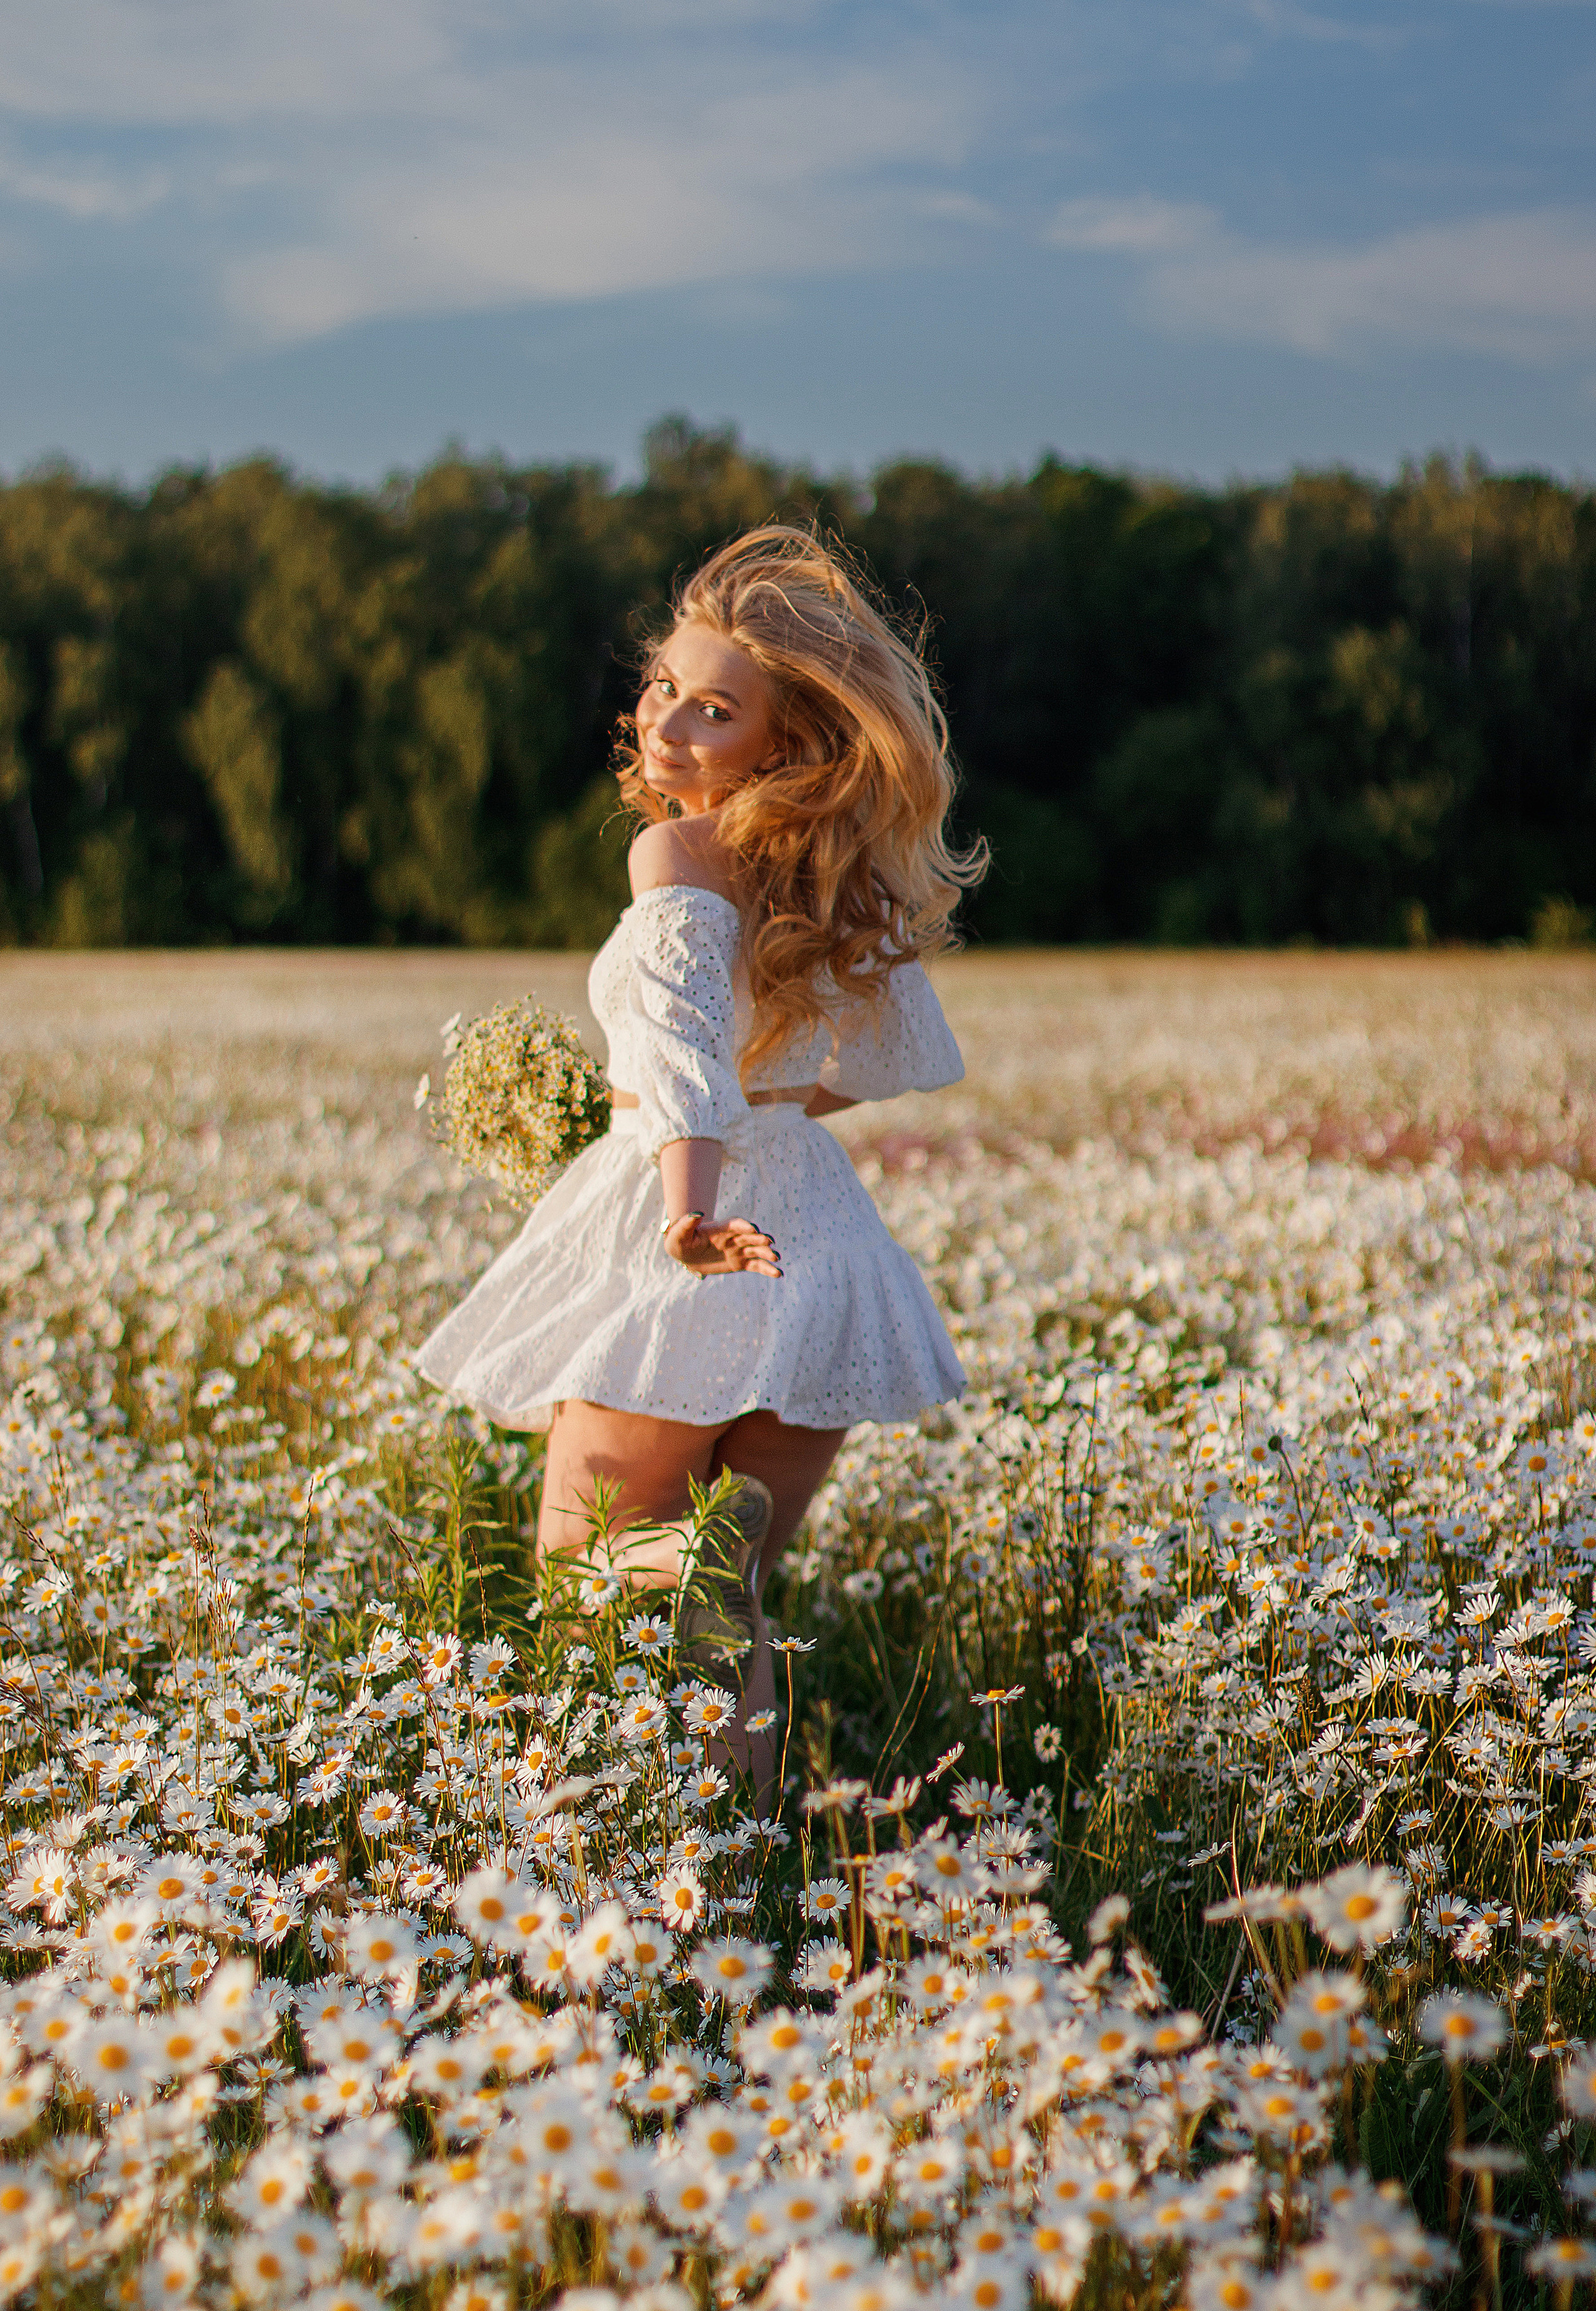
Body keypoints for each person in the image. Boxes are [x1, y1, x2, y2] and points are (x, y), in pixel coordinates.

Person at [418, 525, 983, 1794]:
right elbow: (891, 1056)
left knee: (586, 1579)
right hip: (823, 1248)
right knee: (728, 1612)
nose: (664, 722)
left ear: (782, 746)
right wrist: (756, 1108)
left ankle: (619, 1831)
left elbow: (677, 1046)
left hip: (699, 1238)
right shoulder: (848, 879)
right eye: (663, 687)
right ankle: (746, 1865)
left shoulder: (674, 855)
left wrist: (683, 1194)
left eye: (712, 711)